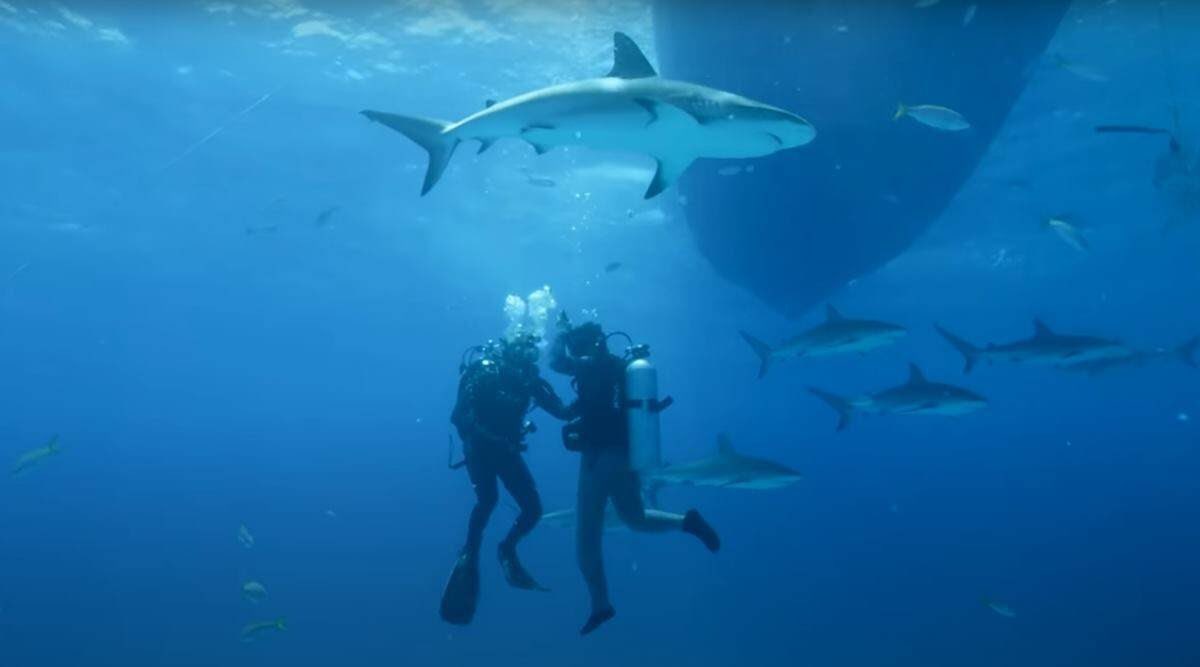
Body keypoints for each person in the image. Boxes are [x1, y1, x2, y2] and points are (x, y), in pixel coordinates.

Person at [550, 314, 721, 636]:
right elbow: (577, 408)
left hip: (599, 459)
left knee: (586, 536)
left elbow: (557, 361)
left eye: (579, 345)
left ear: (589, 345)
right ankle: (687, 521)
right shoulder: (615, 368)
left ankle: (601, 605)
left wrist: (559, 333)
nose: (577, 352)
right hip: (624, 455)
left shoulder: (592, 365)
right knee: (635, 517)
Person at [441, 333, 572, 626]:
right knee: (488, 501)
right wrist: (492, 439)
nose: (526, 359)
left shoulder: (529, 380)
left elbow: (562, 411)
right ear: (508, 351)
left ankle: (507, 548)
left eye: (531, 354)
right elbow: (459, 416)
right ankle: (470, 552)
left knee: (533, 509)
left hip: (506, 451)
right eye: (521, 352)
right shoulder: (485, 369)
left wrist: (592, 398)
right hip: (479, 447)